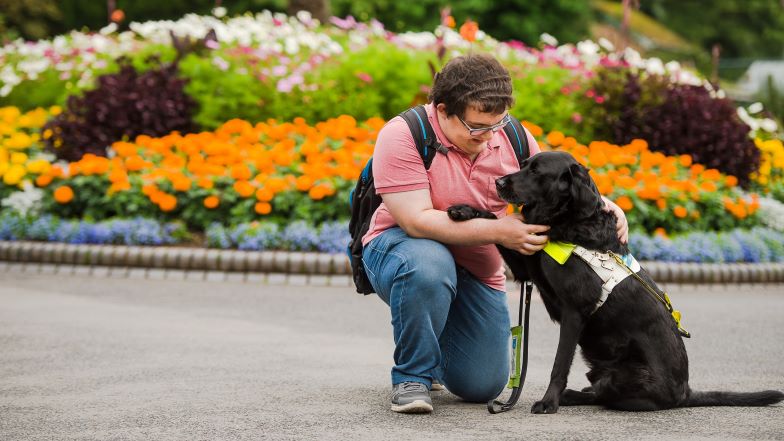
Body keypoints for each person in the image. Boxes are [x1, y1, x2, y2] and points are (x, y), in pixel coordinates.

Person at [360, 53, 629, 414]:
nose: (488, 138)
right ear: (442, 110)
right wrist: (499, 230)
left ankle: (436, 341)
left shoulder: (511, 135)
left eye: (496, 125)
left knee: (481, 384)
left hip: (477, 269)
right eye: (476, 128)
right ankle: (412, 377)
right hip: (400, 250)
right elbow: (415, 221)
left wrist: (604, 203)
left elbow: (549, 181)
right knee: (430, 265)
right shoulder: (404, 135)